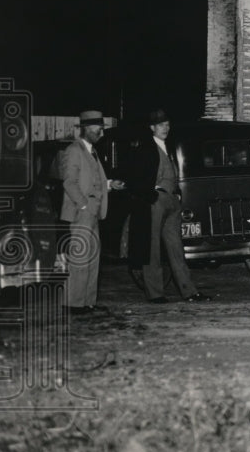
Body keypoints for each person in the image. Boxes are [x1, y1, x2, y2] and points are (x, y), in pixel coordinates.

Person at [126, 109, 210, 304]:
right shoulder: (144, 148)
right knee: (152, 248)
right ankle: (155, 293)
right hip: (156, 201)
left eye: (167, 124)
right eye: (161, 125)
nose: (166, 128)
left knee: (176, 248)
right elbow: (134, 177)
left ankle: (189, 291)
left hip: (171, 201)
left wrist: (178, 194)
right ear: (152, 128)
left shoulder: (168, 147)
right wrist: (151, 194)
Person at [60, 110, 124, 315]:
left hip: (94, 211)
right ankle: (73, 303)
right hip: (82, 212)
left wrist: (109, 184)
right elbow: (69, 182)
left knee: (93, 257)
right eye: (99, 129)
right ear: (86, 128)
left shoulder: (91, 152)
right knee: (80, 257)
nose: (102, 133)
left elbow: (92, 180)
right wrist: (84, 205)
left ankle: (88, 302)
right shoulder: (74, 150)